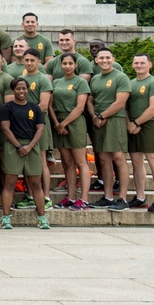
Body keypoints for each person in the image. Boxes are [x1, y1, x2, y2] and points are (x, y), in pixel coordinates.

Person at [0, 77, 49, 229]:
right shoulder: (7, 107)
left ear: (28, 90)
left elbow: (40, 128)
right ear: (13, 90)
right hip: (13, 146)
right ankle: (6, 217)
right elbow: (5, 128)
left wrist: (30, 146)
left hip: (32, 146)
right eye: (18, 89)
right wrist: (19, 146)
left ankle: (42, 217)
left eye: (24, 88)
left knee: (35, 183)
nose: (21, 91)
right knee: (10, 183)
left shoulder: (34, 108)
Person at [88, 48, 131, 211]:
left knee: (118, 157)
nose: (104, 60)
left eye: (108, 57)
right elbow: (90, 100)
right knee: (104, 159)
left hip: (114, 121)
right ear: (96, 61)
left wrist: (102, 116)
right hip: (99, 121)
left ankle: (123, 198)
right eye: (101, 58)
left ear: (113, 58)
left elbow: (120, 102)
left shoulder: (121, 77)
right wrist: (94, 116)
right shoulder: (96, 79)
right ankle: (108, 196)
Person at [50, 53, 91, 210]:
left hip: (74, 122)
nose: (67, 66)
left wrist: (64, 124)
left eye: (70, 63)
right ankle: (71, 196)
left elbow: (80, 107)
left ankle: (84, 199)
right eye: (64, 63)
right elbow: (50, 105)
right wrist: (56, 123)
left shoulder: (80, 82)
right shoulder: (57, 82)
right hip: (59, 122)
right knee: (67, 162)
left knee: (81, 162)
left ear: (75, 65)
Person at [127, 53, 154, 212]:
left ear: (150, 64)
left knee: (153, 161)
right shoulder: (130, 83)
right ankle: (140, 197)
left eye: (142, 62)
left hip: (149, 125)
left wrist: (135, 123)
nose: (139, 65)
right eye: (136, 63)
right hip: (132, 126)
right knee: (136, 162)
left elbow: (153, 108)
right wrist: (130, 123)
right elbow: (125, 106)